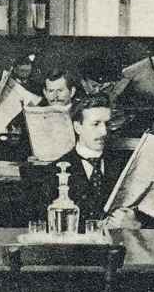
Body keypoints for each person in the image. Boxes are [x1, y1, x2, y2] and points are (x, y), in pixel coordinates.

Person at [37, 94, 129, 225]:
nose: (104, 131)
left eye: (107, 124)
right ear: (77, 127)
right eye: (96, 124)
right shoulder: (52, 173)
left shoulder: (124, 167)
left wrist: (134, 223)